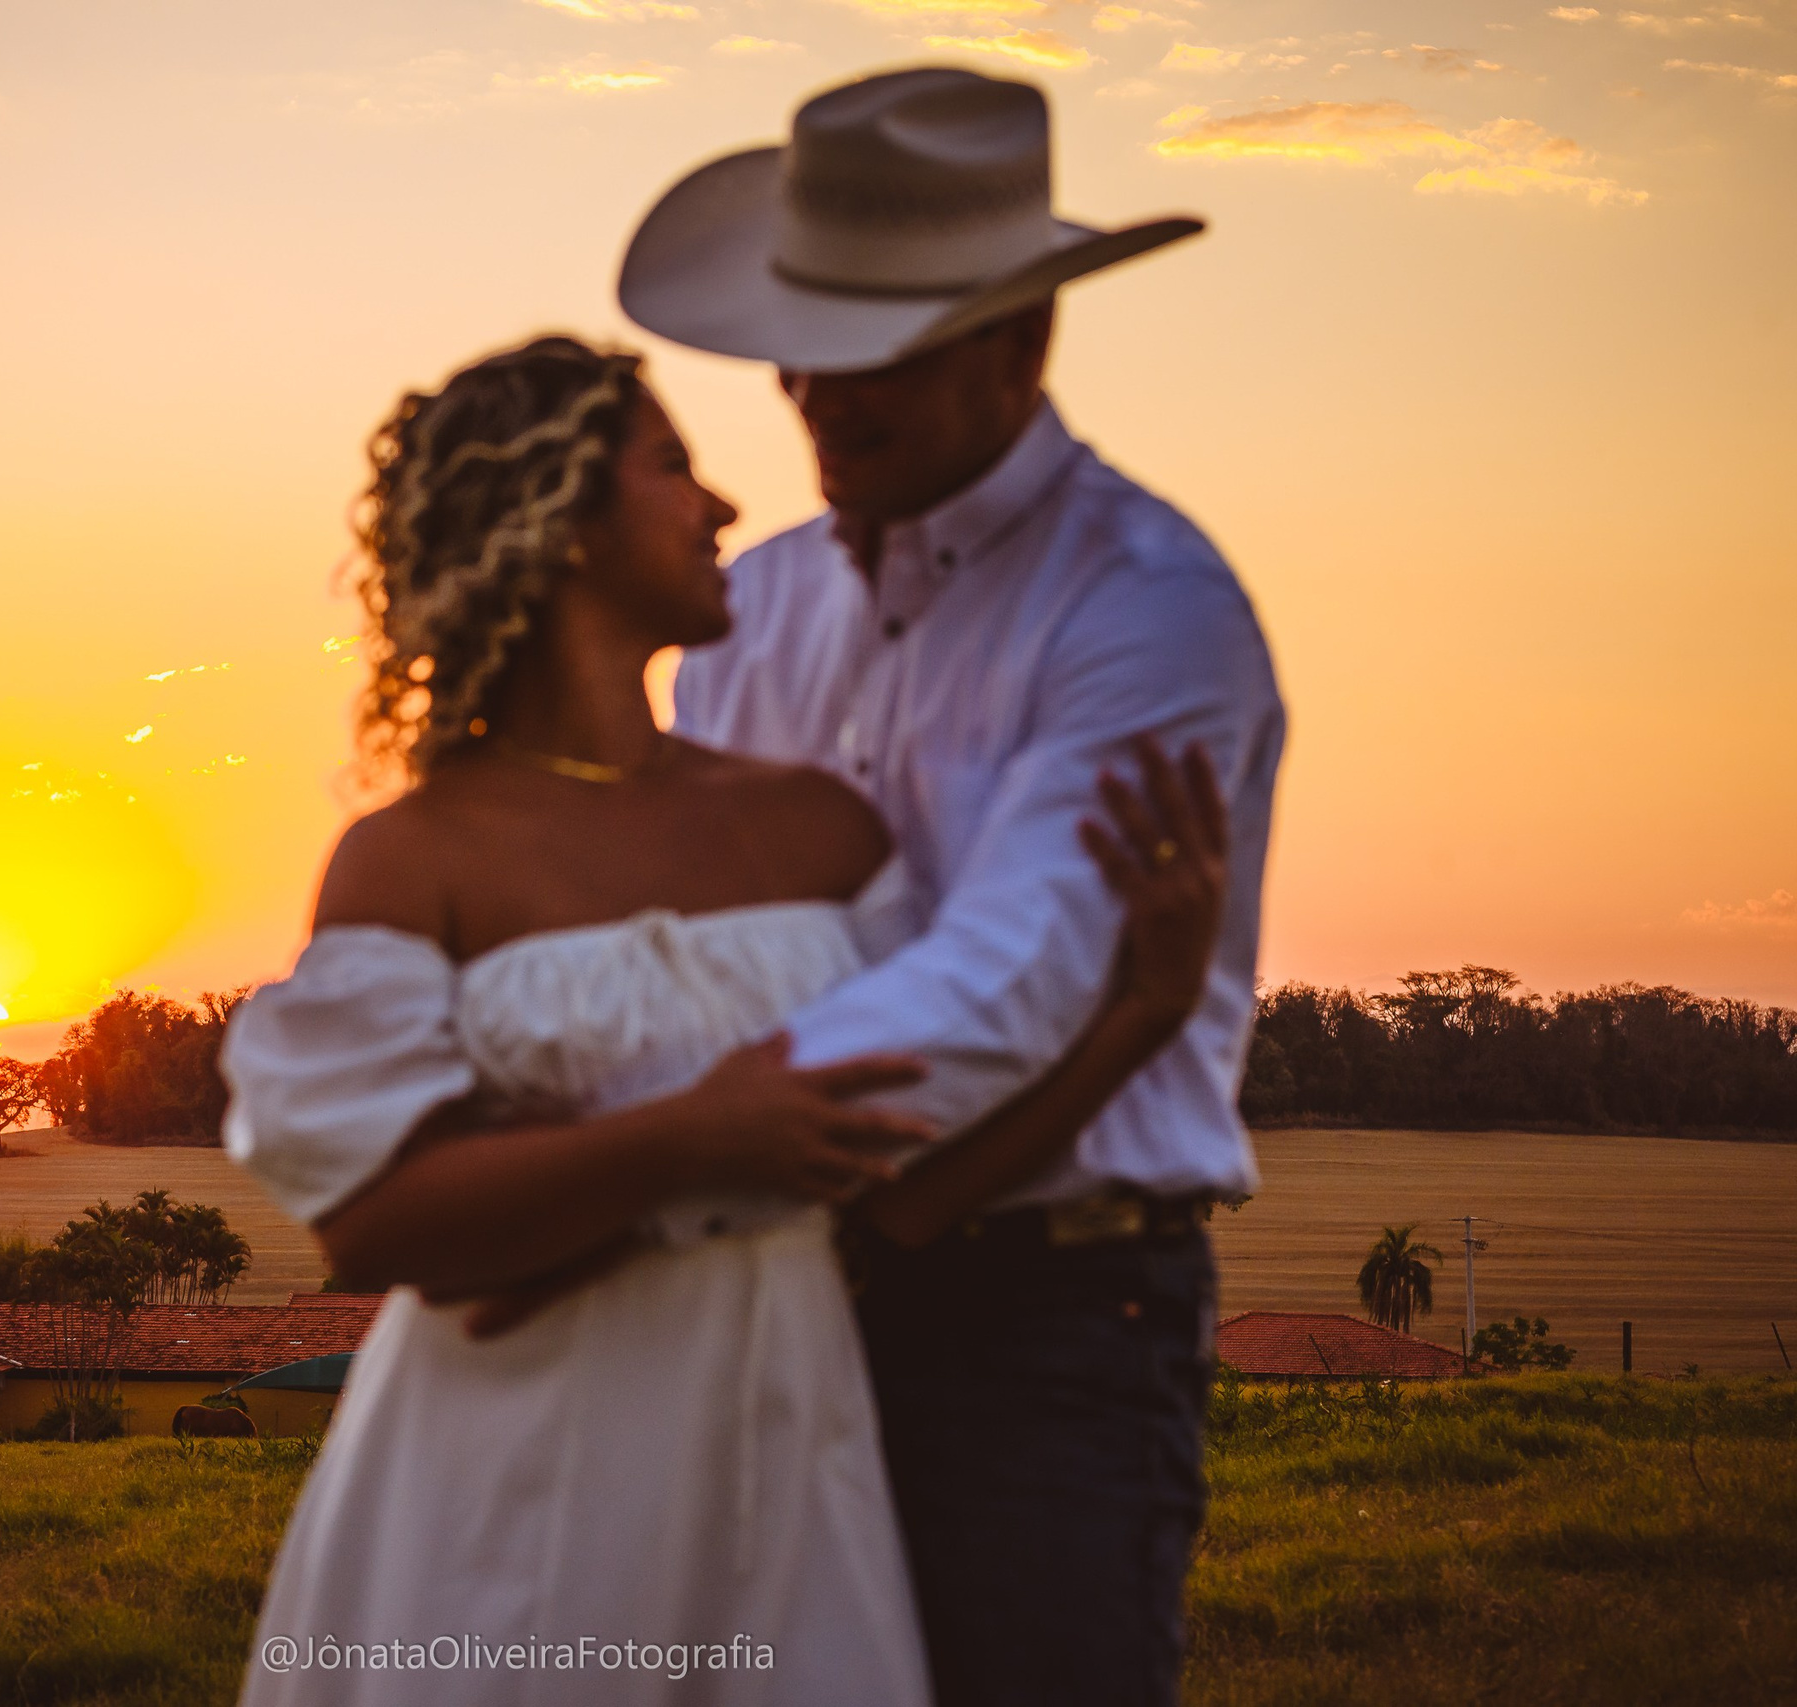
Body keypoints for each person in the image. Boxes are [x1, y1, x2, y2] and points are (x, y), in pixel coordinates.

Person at [219, 333, 1232, 1705]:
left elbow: (908, 1195)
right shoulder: (415, 856)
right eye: (672, 468)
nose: (723, 506)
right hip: (498, 1463)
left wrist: (1143, 1014)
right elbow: (379, 1226)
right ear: (562, 522)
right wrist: (693, 1138)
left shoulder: (813, 828)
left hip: (779, 1451)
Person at [620, 67, 1287, 1705]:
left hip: (1050, 1316)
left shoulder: (1148, 614)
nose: (818, 397)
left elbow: (1011, 981)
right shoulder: (748, 619)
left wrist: (653, 1157)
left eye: (876, 355)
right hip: (761, 1298)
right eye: (802, 344)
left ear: (1020, 340)